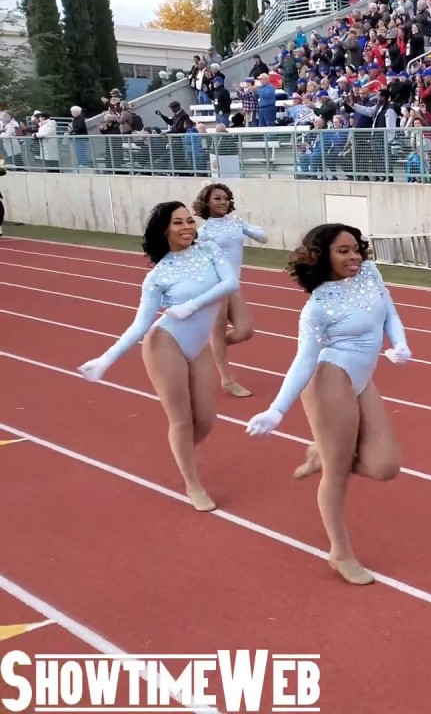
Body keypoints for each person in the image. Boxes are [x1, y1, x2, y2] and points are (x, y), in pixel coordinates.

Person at [244, 223, 409, 586]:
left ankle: (324, 451)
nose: (354, 257)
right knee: (338, 475)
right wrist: (276, 410)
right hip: (330, 380)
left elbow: (390, 314)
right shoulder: (317, 307)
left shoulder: (370, 273)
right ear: (322, 257)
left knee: (385, 466)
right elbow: (304, 361)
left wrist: (400, 344)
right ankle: (340, 552)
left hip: (362, 379)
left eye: (356, 248)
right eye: (343, 251)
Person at [77, 201, 241, 512]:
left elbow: (231, 283)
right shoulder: (157, 276)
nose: (187, 227)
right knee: (181, 419)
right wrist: (105, 360)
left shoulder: (209, 250)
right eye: (178, 223)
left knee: (206, 419)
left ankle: (181, 453)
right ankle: (193, 484)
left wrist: (191, 305)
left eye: (189, 221)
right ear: (164, 230)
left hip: (199, 345)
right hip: (166, 343)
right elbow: (140, 324)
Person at [192, 183, 269, 398]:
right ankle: (227, 380)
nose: (223, 202)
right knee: (218, 333)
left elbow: (263, 237)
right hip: (215, 285)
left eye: (226, 198)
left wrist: (252, 230)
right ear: (206, 202)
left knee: (245, 331)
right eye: (217, 198)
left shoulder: (236, 222)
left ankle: (210, 348)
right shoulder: (203, 232)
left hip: (233, 284)